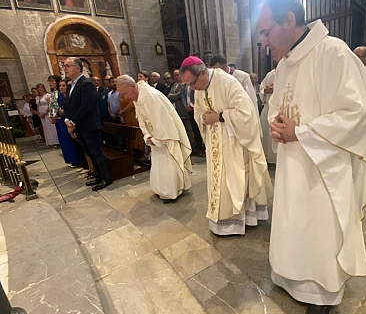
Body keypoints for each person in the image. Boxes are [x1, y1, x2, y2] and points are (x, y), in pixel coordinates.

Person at [260, 0, 366, 314]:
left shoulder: (334, 53)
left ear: (289, 21)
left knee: (318, 225)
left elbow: (357, 115)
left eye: (266, 31)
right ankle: (289, 277)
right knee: (293, 219)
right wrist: (277, 125)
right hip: (291, 160)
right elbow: (278, 106)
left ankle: (322, 294)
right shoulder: (284, 65)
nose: (264, 41)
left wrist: (303, 132)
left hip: (324, 164)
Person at [179, 56, 272, 235]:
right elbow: (199, 112)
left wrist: (220, 117)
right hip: (215, 143)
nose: (192, 89)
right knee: (218, 180)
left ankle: (240, 219)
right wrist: (203, 118)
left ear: (203, 72)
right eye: (188, 85)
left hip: (234, 141)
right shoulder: (200, 88)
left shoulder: (227, 82)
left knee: (234, 179)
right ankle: (222, 219)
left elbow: (247, 113)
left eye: (192, 83)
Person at [116, 75, 192, 203]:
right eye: (122, 95)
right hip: (154, 138)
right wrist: (147, 136)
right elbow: (141, 119)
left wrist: (157, 139)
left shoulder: (151, 96)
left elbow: (163, 120)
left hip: (166, 136)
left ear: (133, 86)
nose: (125, 98)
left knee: (169, 163)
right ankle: (162, 189)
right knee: (159, 164)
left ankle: (173, 191)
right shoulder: (138, 97)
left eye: (125, 93)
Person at [63, 57, 112, 191]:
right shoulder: (70, 86)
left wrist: (73, 121)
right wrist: (66, 119)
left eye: (68, 66)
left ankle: (106, 178)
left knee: (96, 152)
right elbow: (67, 105)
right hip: (79, 126)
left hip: (90, 125)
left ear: (77, 68)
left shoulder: (86, 84)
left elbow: (87, 106)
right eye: (64, 66)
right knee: (89, 152)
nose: (65, 68)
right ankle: (98, 176)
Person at [52, 79, 80, 167]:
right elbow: (59, 108)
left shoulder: (69, 97)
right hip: (64, 120)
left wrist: (62, 112)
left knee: (74, 142)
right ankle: (71, 160)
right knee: (65, 140)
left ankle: (77, 161)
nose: (61, 88)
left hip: (72, 121)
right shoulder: (60, 96)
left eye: (63, 86)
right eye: (60, 86)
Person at [259, 66, 277, 164]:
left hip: (279, 109)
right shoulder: (270, 74)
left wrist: (275, 89)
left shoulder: (288, 71)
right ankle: (267, 158)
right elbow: (262, 87)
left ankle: (277, 159)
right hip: (268, 107)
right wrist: (266, 90)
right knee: (266, 132)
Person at [36, 82, 59, 147]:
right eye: (38, 88)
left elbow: (50, 105)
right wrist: (39, 113)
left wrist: (45, 113)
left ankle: (55, 141)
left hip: (47, 112)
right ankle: (50, 141)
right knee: (46, 127)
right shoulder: (38, 97)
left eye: (41, 88)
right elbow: (38, 105)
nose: (40, 89)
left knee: (51, 127)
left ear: (43, 88)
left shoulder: (47, 95)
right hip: (41, 113)